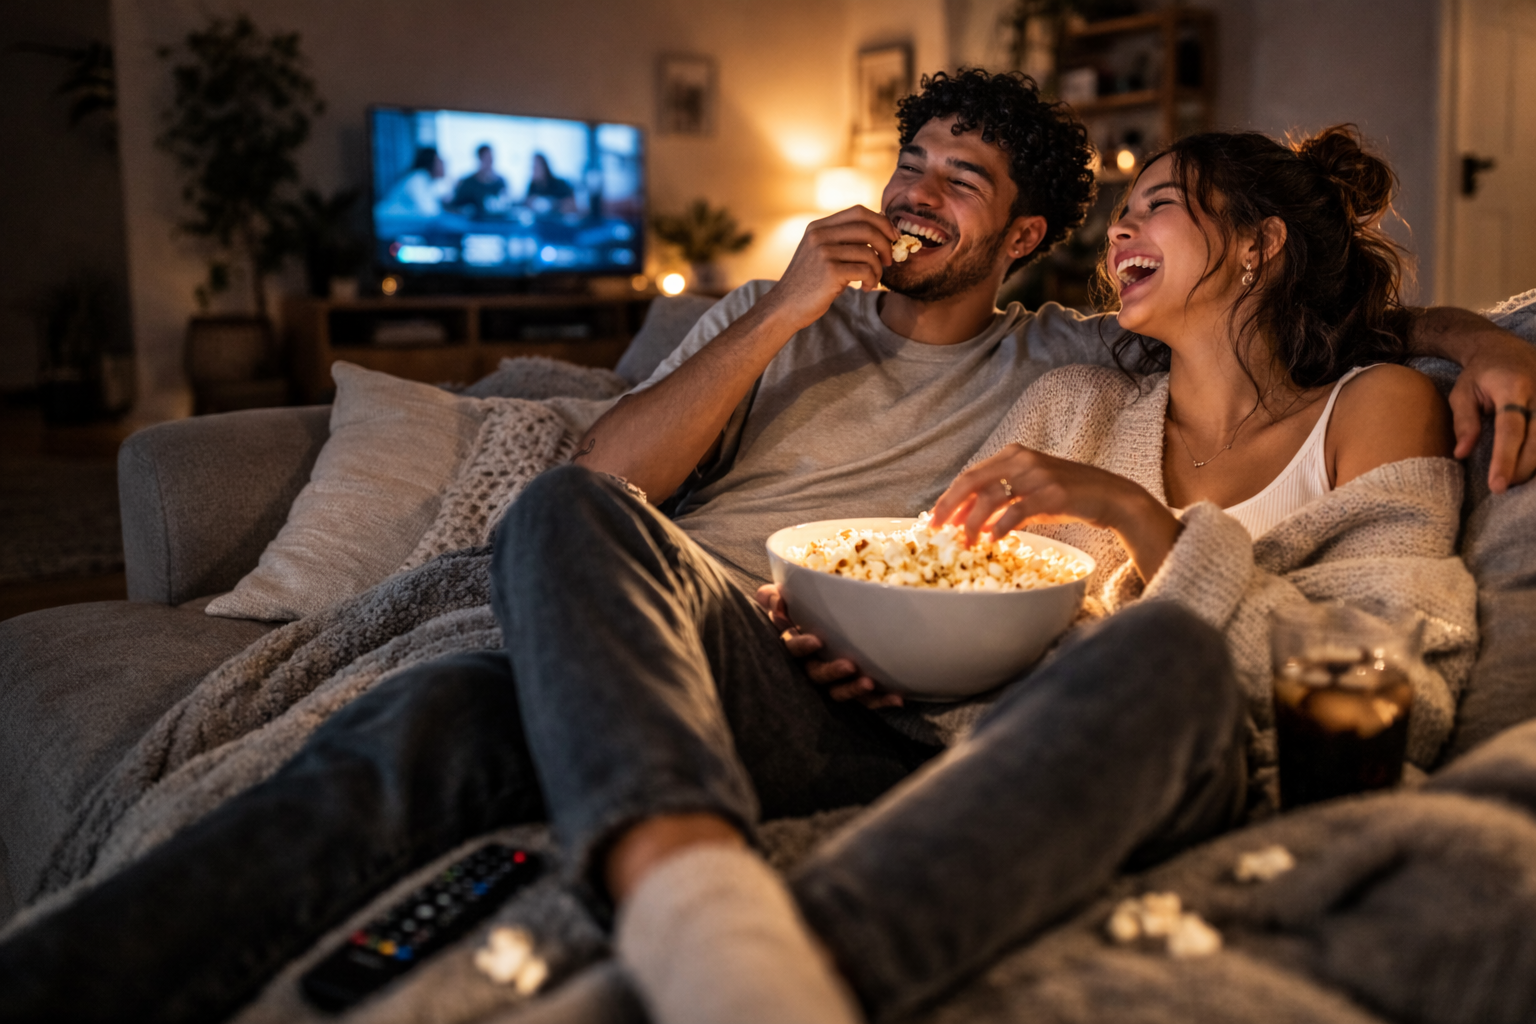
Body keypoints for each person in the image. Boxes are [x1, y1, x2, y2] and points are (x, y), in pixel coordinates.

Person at [0, 71, 1531, 1024]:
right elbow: (654, 494)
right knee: (523, 593)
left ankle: (718, 933)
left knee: (1149, 668)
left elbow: (1349, 568)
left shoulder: (1107, 366)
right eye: (907, 163)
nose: (915, 193)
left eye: (964, 182)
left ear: (1020, 247)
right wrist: (794, 337)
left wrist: (1481, 338)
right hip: (776, 656)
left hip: (1017, 711)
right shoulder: (1021, 370)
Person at [624, 124, 1481, 1024]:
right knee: (576, 510)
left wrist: (1142, 520)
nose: (1118, 232)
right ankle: (705, 917)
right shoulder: (1074, 399)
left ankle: (773, 969)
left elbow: (1398, 695)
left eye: (1158, 206)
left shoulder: (1375, 404)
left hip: (1205, 759)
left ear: (1260, 245)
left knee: (1159, 648)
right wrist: (864, 636)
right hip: (993, 744)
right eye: (1118, 216)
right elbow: (939, 579)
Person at [373, 146, 447, 218]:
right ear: (430, 162)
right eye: (439, 161)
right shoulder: (417, 179)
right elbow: (430, 213)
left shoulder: (427, 180)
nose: (443, 164)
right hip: (387, 222)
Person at [449, 143, 510, 217]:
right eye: (486, 159)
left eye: (491, 159)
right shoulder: (467, 182)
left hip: (497, 223)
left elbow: (506, 204)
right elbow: (456, 206)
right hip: (474, 225)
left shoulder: (500, 182)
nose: (490, 162)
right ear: (479, 158)